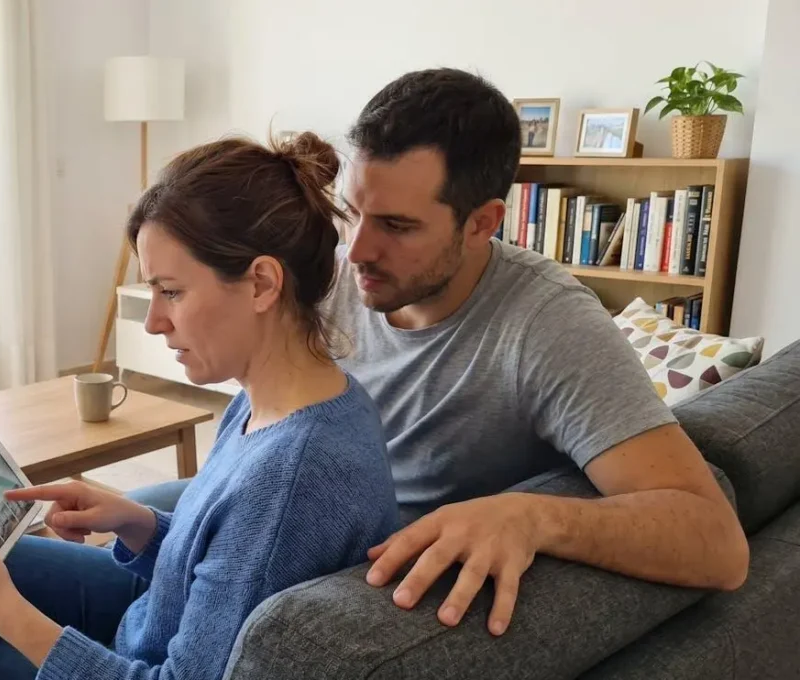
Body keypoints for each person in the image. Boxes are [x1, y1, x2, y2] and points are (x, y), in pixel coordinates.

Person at [129, 68, 750, 638]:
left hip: (339, 576)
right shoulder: (342, 272)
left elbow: (717, 544)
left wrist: (533, 517)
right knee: (114, 522)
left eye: (398, 227)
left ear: (482, 223)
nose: (359, 251)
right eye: (354, 213)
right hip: (291, 513)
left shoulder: (548, 327)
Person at [0, 132, 400, 679]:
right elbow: (228, 573)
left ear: (262, 283)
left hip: (143, 663)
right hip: (150, 621)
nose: (153, 321)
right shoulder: (298, 397)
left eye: (171, 292)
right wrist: (137, 523)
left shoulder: (291, 478)